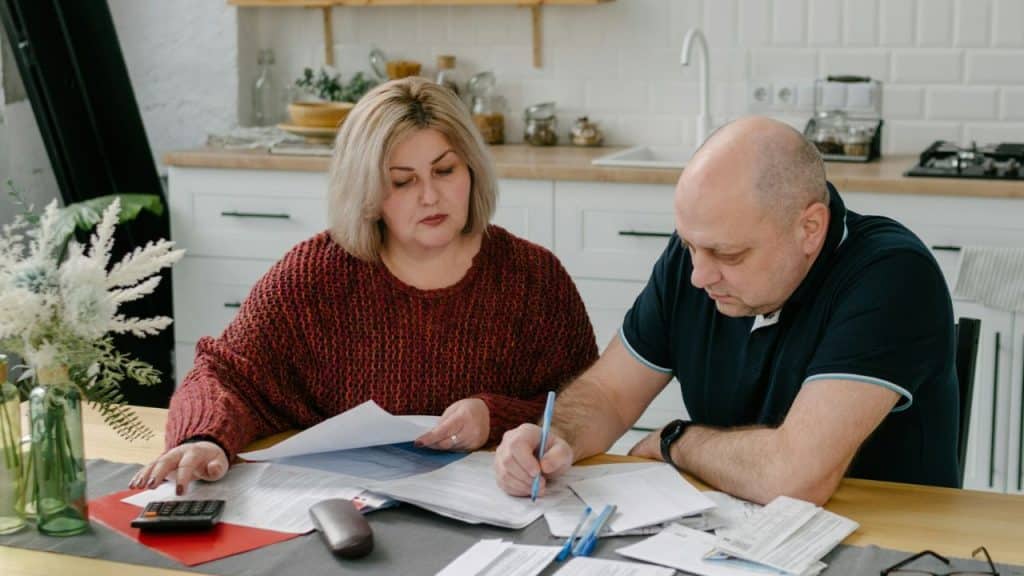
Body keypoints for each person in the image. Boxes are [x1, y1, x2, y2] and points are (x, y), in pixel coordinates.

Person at [131, 77, 597, 495]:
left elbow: (584, 406)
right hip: (342, 515)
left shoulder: (533, 279)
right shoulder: (316, 276)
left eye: (445, 170)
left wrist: (494, 416)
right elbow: (222, 374)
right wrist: (203, 436)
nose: (430, 196)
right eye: (402, 181)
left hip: (500, 514)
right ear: (368, 194)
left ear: (472, 169)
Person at [494, 116, 959, 505]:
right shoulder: (697, 258)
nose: (699, 276)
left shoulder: (891, 275)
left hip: (890, 547)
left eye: (729, 256)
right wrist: (556, 437)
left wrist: (676, 440)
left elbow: (794, 477)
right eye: (690, 245)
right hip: (730, 531)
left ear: (810, 229)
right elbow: (611, 394)